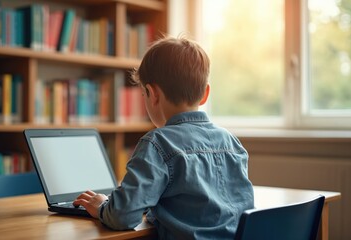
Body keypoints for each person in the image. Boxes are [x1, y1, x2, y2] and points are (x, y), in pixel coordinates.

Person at [73, 36, 254, 239]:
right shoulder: (231, 142)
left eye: (143, 95)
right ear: (205, 94)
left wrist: (101, 206)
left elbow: (123, 216)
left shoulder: (157, 143)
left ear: (152, 94)